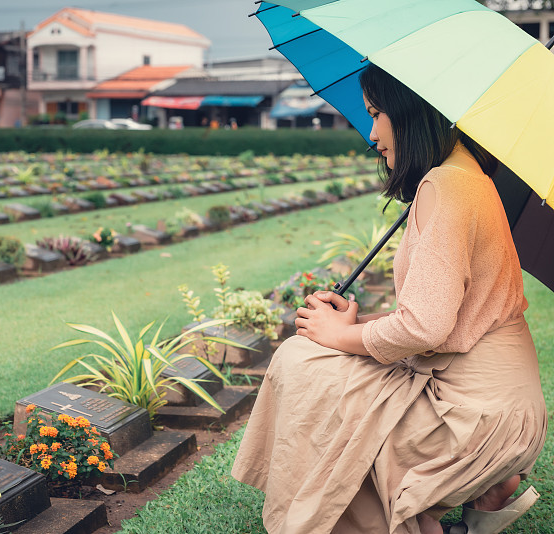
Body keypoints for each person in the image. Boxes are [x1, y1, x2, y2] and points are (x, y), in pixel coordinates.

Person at [231, 63, 547, 534]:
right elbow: (445, 312)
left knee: (303, 361)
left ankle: (422, 508)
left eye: (378, 115)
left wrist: (341, 333)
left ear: (413, 113)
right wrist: (357, 325)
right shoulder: (463, 176)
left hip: (470, 416)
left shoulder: (446, 185)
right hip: (503, 407)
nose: (372, 134)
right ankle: (472, 496)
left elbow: (425, 329)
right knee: (317, 356)